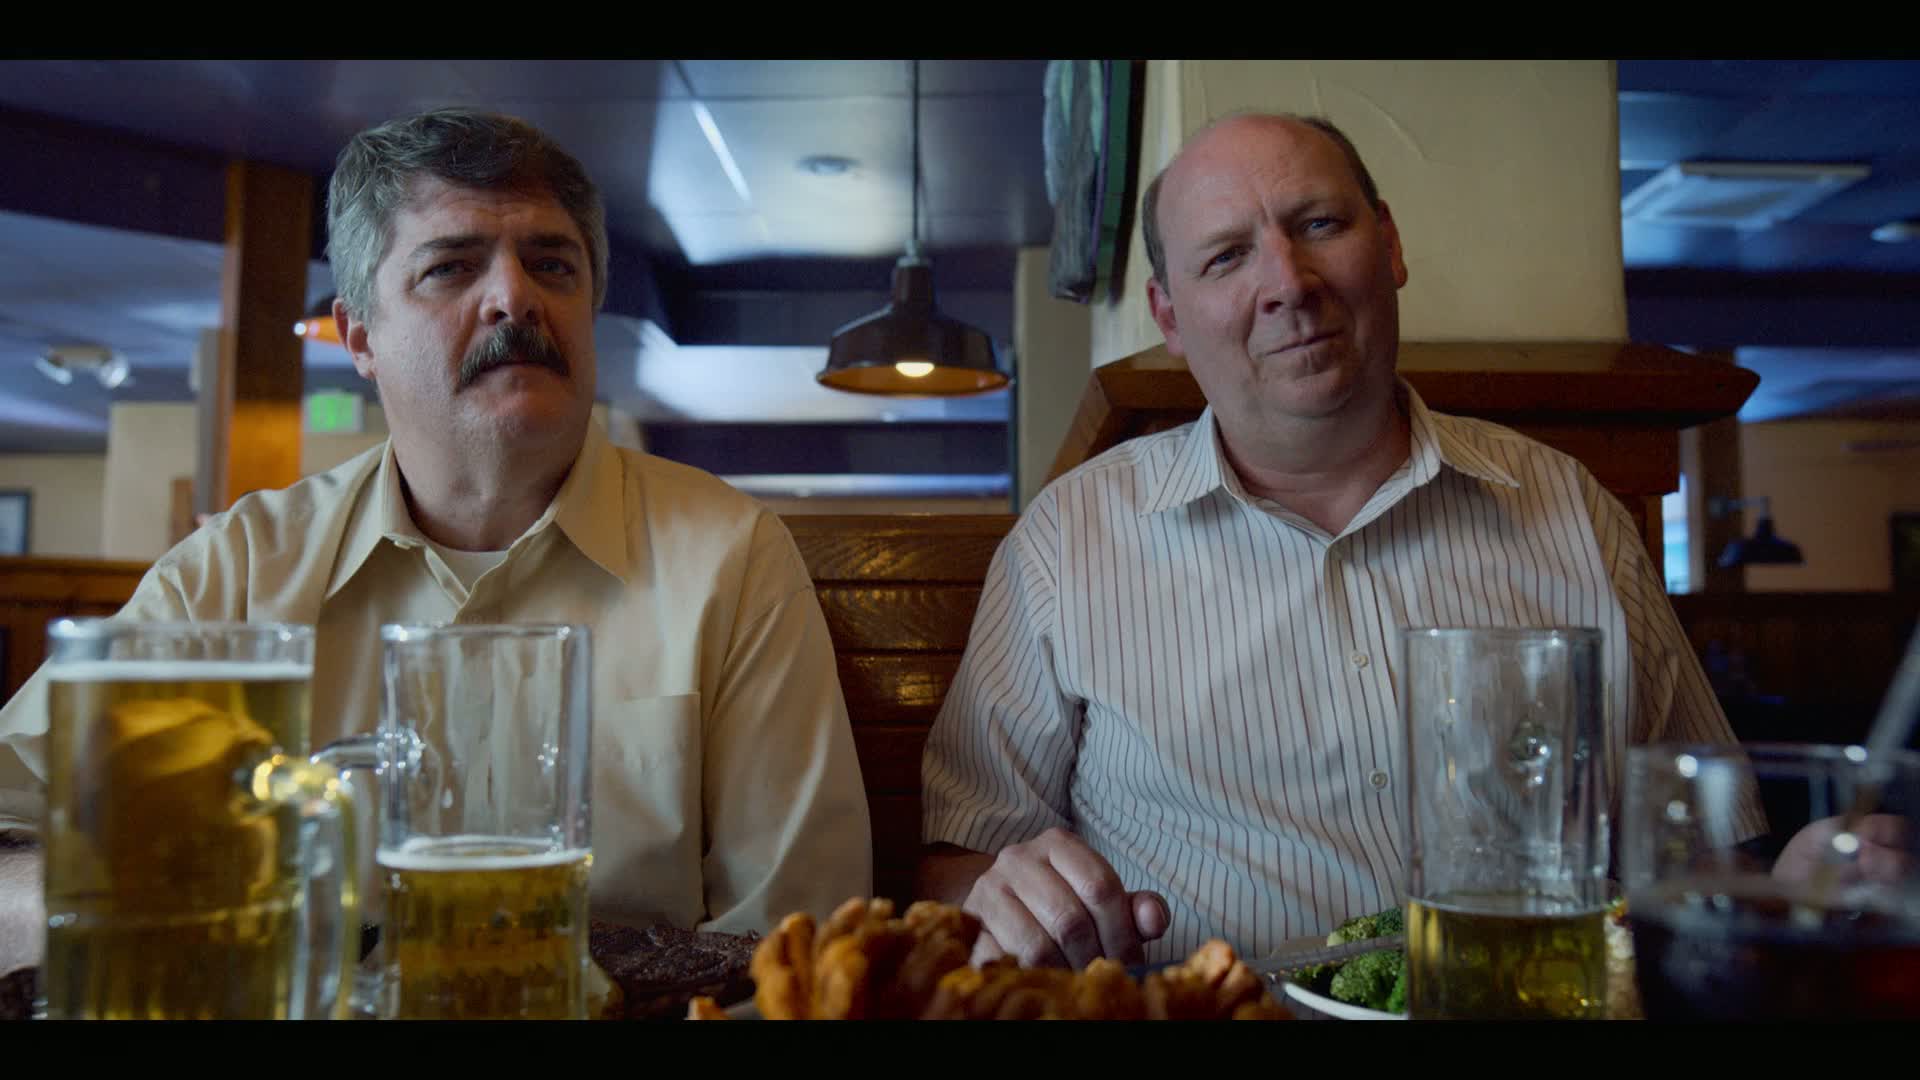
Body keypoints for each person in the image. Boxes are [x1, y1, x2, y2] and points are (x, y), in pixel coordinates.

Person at [917, 112, 1813, 969]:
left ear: (1389, 245)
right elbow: (959, 864)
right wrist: (1007, 900)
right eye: (1227, 256)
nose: (1289, 282)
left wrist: (1799, 887)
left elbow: (1712, 847)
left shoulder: (1572, 509)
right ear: (1170, 317)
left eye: (1319, 224)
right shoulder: (1064, 542)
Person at [0, 108, 872, 971]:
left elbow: (797, 928)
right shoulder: (235, 573)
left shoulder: (729, 557)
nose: (514, 297)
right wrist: (106, 906)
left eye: (552, 265)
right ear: (360, 337)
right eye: (450, 267)